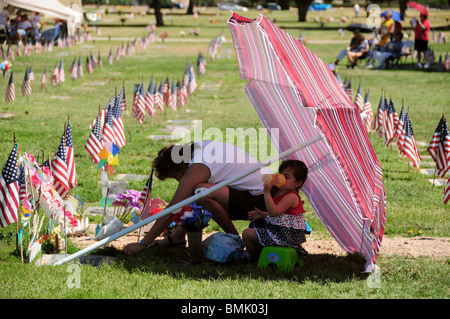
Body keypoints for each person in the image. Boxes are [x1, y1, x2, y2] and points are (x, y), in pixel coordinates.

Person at [123, 140, 274, 255]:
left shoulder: (198, 166)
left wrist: (143, 243)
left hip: (265, 200)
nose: (177, 181)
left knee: (200, 192)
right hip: (265, 194)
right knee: (196, 192)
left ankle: (236, 240)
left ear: (180, 166)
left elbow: (173, 209)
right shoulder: (199, 149)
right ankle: (178, 237)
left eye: (176, 176)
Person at [242, 160, 309, 261]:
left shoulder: (291, 196)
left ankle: (253, 256)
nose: (280, 178)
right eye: (280, 174)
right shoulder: (281, 194)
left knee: (247, 234)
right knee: (256, 225)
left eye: (286, 177)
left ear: (298, 183)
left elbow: (274, 212)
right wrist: (262, 215)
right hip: (281, 232)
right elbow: (281, 217)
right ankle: (259, 253)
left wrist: (267, 193)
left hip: (285, 237)